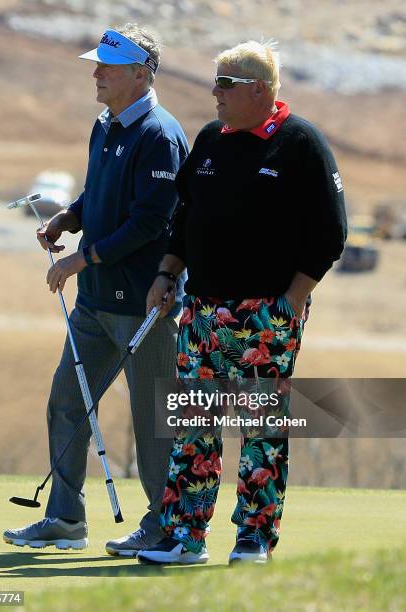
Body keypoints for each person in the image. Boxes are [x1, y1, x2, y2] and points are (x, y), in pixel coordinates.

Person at [138, 39, 347, 565]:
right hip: (201, 311)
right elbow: (185, 219)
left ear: (260, 90)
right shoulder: (210, 140)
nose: (214, 93)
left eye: (225, 85)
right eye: (215, 82)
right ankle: (186, 537)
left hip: (265, 317)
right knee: (193, 429)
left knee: (261, 431)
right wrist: (167, 272)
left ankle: (253, 538)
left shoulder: (300, 144)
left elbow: (331, 234)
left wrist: (291, 302)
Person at [3, 23, 189, 556]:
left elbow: (150, 222)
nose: (96, 73)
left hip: (143, 304)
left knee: (153, 417)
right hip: (96, 303)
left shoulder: (160, 134)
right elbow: (102, 191)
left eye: (106, 66)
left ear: (140, 72)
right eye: (97, 63)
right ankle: (64, 519)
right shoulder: (105, 126)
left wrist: (81, 258)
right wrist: (69, 217)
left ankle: (163, 525)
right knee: (66, 402)